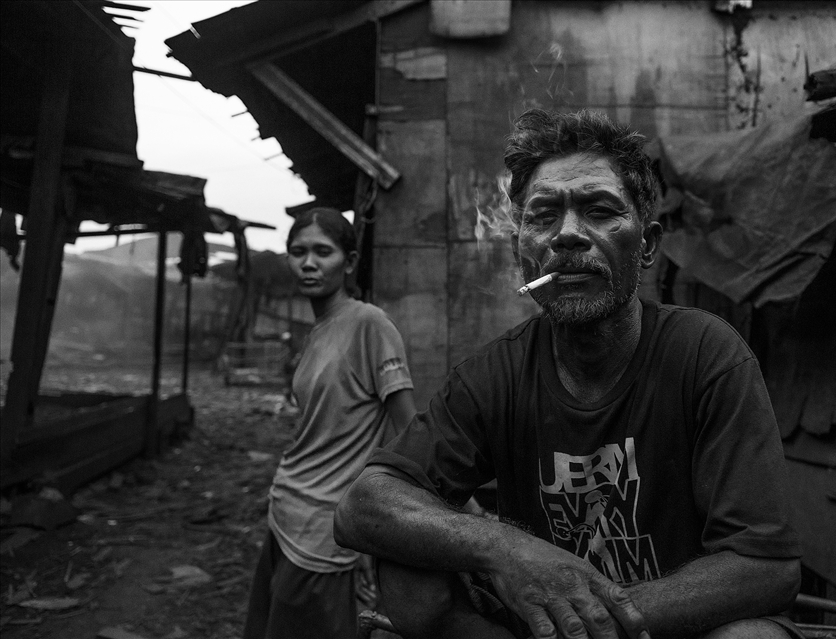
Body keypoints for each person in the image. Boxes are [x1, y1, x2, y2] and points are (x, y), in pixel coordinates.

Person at [335, 110, 802, 639]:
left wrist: (594, 617)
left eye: (600, 211)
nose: (569, 236)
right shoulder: (495, 374)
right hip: (538, 628)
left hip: (662, 629)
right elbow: (362, 506)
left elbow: (769, 568)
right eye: (543, 216)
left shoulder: (706, 355)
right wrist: (506, 550)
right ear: (523, 253)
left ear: (646, 244)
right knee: (406, 567)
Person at [244, 207, 416, 639]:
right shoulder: (317, 330)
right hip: (286, 503)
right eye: (297, 252)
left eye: (323, 252)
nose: (308, 263)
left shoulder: (369, 324)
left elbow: (409, 428)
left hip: (324, 521)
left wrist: (459, 508)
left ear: (351, 262)